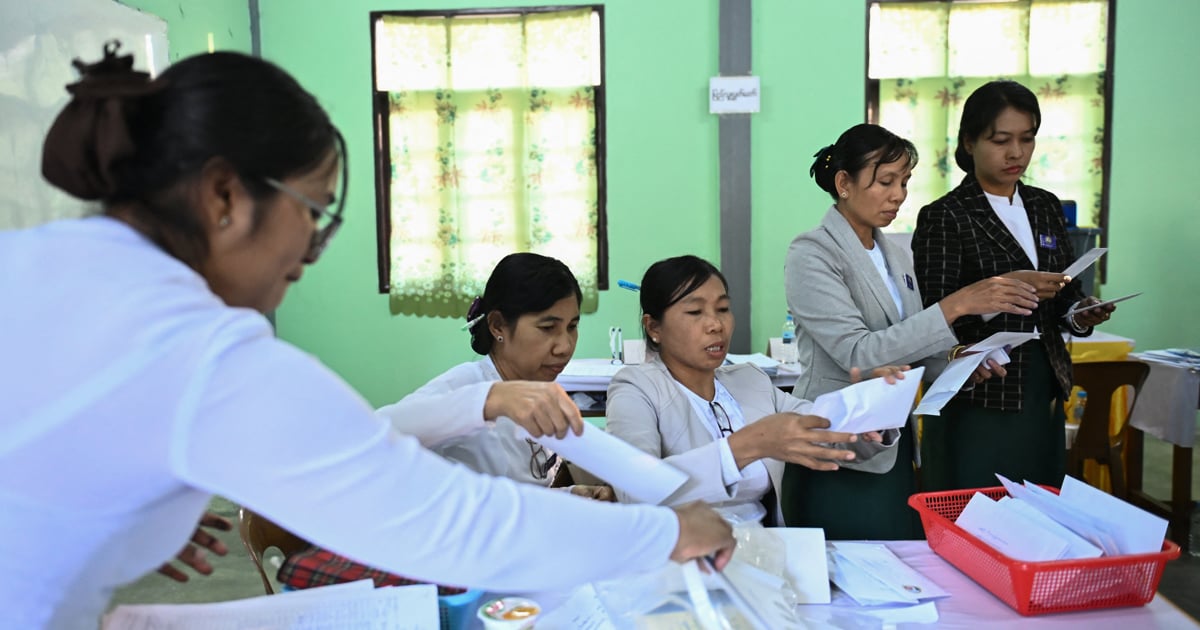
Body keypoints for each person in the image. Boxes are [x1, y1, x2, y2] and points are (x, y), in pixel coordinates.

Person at [0, 45, 734, 629]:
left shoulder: (37, 264)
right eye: (312, 210)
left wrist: (122, 507)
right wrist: (664, 534)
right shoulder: (202, 350)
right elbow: (444, 521)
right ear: (225, 196)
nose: (311, 248)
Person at [781, 123, 1040, 539]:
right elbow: (859, 355)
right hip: (835, 445)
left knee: (896, 565)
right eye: (885, 181)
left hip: (891, 444)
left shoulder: (895, 254)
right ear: (843, 183)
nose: (898, 194)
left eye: (904, 182)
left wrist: (959, 362)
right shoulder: (812, 253)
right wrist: (957, 304)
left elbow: (912, 345)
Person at [912, 80, 1116, 492]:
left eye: (1026, 139)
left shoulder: (1044, 205)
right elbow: (935, 312)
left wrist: (1079, 313)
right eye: (1000, 140)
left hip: (1043, 382)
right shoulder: (946, 216)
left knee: (1038, 503)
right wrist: (1001, 295)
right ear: (969, 142)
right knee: (975, 503)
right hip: (981, 387)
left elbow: (1062, 291)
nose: (1016, 153)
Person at [606, 255, 903, 526]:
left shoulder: (751, 382)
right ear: (654, 328)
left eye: (723, 309)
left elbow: (827, 429)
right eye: (695, 312)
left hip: (763, 550)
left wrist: (869, 408)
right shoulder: (636, 388)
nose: (715, 324)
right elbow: (636, 490)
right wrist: (746, 447)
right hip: (681, 557)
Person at [376, 252, 612, 499]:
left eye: (572, 327)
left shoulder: (535, 388)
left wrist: (573, 494)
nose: (564, 346)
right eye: (547, 328)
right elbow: (379, 430)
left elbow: (519, 496)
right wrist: (489, 401)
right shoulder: (467, 385)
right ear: (498, 325)